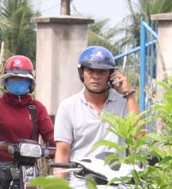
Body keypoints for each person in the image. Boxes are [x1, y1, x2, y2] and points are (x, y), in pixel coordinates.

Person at [53, 45, 140, 181]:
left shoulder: (124, 103)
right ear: (82, 73)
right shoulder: (67, 107)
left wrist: (129, 94)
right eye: (90, 71)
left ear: (111, 75)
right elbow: (62, 154)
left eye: (102, 72)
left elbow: (140, 135)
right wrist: (59, 188)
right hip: (80, 181)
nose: (96, 76)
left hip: (118, 181)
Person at [0, 54, 54, 156]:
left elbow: (51, 135)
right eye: (13, 78)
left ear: (30, 83)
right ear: (5, 82)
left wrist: (61, 148)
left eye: (22, 79)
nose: (17, 82)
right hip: (0, 164)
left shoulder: (37, 108)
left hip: (30, 163)